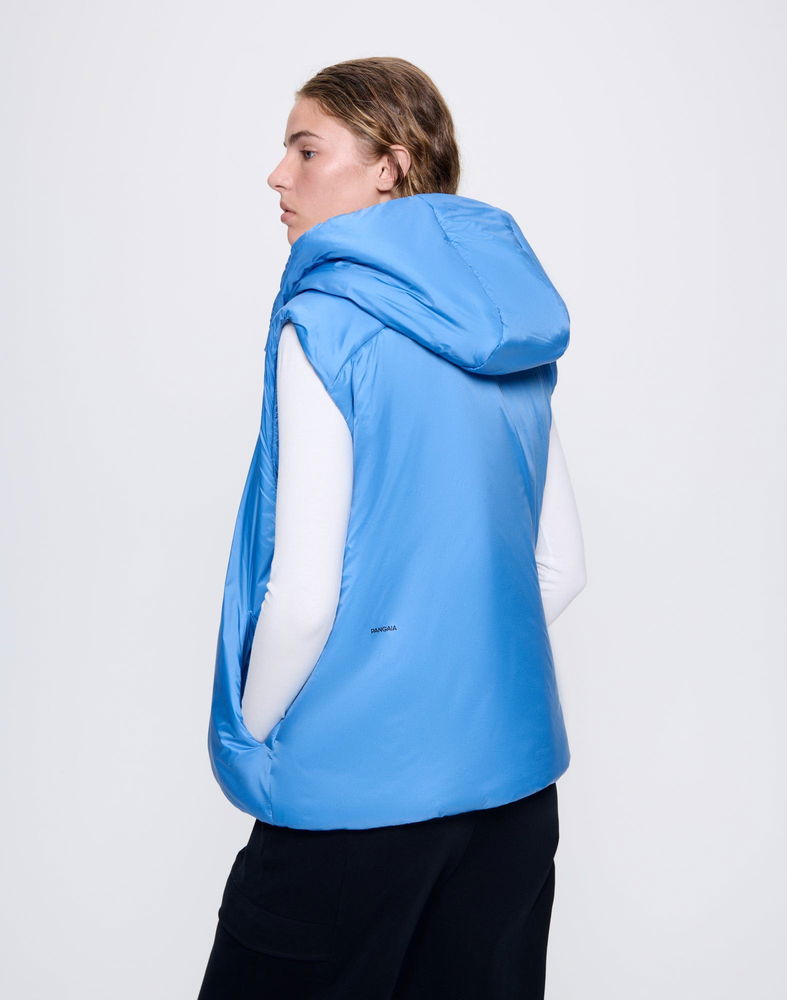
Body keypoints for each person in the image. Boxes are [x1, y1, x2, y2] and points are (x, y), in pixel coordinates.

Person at [199, 56, 586, 1000]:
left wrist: (250, 739)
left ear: (391, 165)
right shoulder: (513, 327)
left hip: (351, 808)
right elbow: (561, 567)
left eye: (306, 149)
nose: (277, 176)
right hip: (514, 803)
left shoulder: (324, 320)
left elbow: (304, 598)